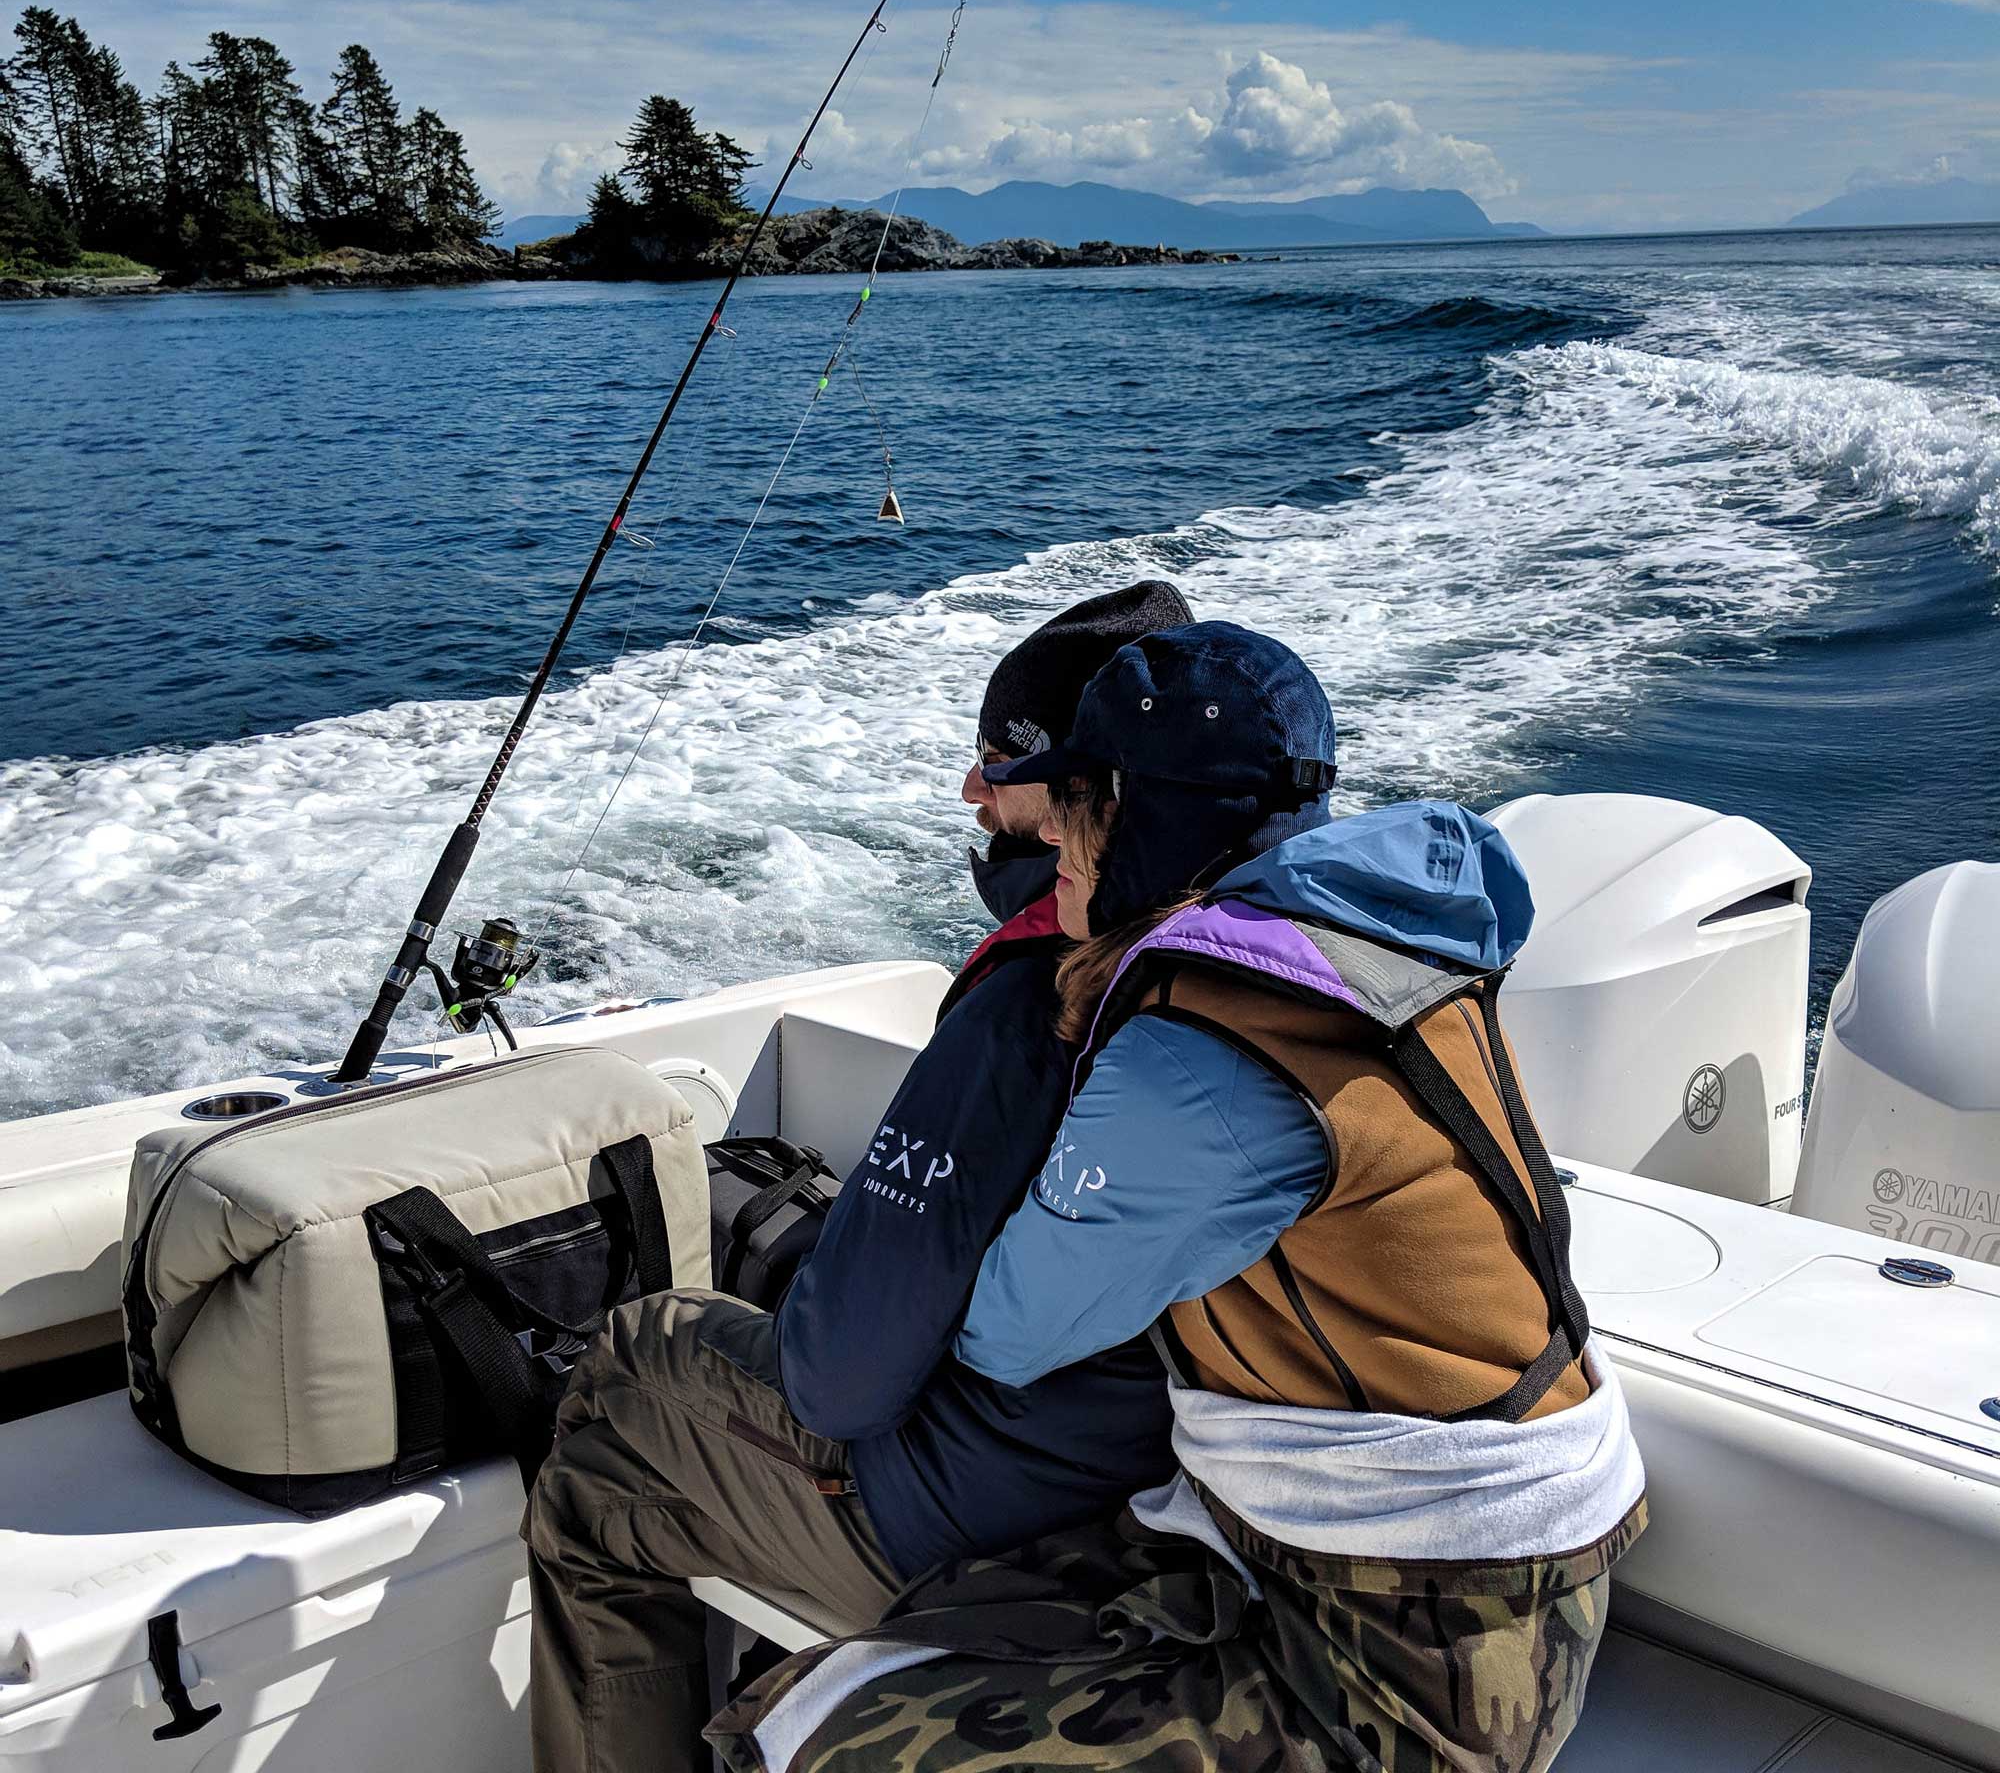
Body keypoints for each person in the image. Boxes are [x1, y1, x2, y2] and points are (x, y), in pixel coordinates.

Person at [710, 622, 1645, 1773]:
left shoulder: (1199, 1055)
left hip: (1413, 1647)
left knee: (820, 1743)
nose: (1045, 824)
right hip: (1454, 1550)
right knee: (866, 1661)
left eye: (1079, 797)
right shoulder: (1372, 944)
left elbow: (1009, 1329)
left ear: (1143, 812)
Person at [523, 580, 1195, 1773]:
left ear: (1086, 792)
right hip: (1161, 1487)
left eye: (999, 759)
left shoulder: (1033, 999)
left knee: (614, 1425)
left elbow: (837, 1386)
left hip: (998, 1507)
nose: (969, 791)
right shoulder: (1268, 962)